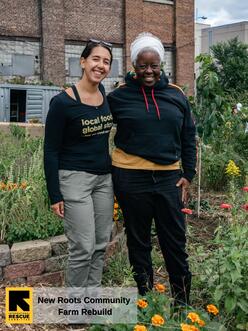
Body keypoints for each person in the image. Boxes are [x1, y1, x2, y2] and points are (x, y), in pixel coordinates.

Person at [108, 33, 197, 306]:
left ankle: (181, 303)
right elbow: (96, 127)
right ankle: (146, 300)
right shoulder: (118, 96)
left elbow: (188, 135)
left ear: (161, 65)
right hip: (130, 177)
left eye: (154, 65)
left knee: (174, 241)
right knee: (139, 240)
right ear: (134, 66)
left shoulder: (176, 95)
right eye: (143, 65)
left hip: (169, 178)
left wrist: (188, 174)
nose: (149, 71)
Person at [44, 39, 114, 288]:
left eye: (106, 62)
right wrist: (54, 195)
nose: (101, 65)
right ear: (83, 62)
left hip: (104, 180)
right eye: (96, 59)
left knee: (100, 244)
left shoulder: (104, 93)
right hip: (74, 180)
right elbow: (50, 150)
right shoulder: (62, 103)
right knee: (82, 247)